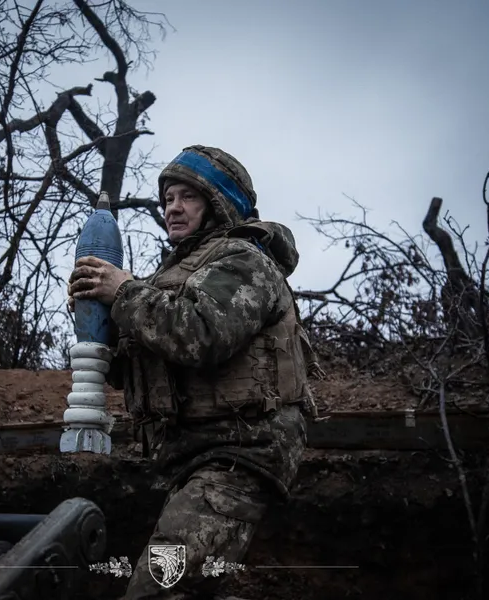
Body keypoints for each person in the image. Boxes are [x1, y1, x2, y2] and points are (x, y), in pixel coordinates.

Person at [68, 146, 322, 600]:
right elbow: (143, 370)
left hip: (239, 454)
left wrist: (123, 292)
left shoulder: (244, 261)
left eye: (187, 196)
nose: (173, 208)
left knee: (158, 589)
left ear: (218, 203)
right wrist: (100, 330)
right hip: (192, 459)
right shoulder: (174, 274)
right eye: (167, 198)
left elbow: (202, 332)